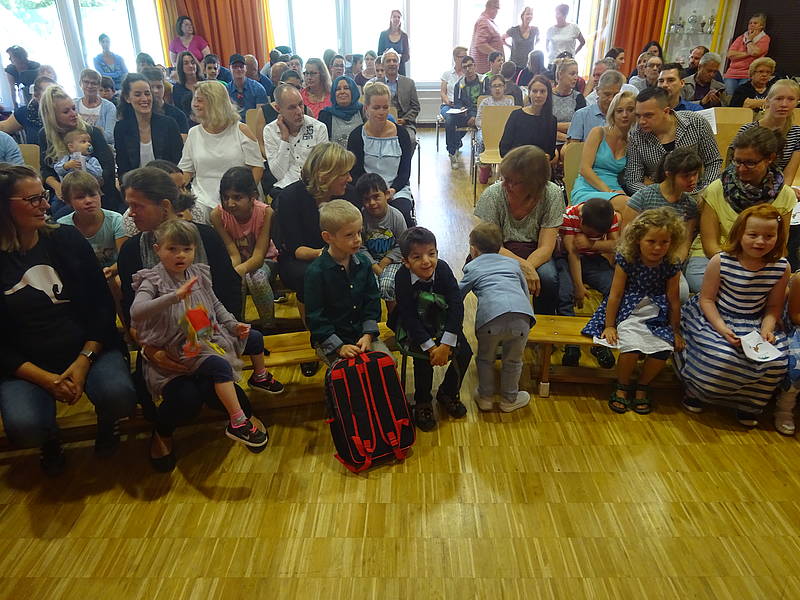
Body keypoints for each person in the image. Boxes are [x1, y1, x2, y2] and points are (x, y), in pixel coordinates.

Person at [0, 164, 136, 475]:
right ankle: (48, 436)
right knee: (24, 427)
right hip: (26, 365)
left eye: (44, 196)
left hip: (87, 348)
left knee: (119, 397)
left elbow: (101, 308)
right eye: (33, 200)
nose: (45, 206)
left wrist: (84, 361)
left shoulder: (66, 239)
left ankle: (107, 420)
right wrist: (45, 379)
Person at [117, 167, 245, 470]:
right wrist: (150, 351)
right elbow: (131, 314)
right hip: (161, 348)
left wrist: (223, 335)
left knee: (226, 397)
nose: (130, 213)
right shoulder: (133, 250)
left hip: (208, 342)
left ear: (164, 206)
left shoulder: (205, 238)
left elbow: (229, 294)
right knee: (185, 400)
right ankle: (162, 433)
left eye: (137, 205)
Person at [130, 219, 278, 450]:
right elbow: (136, 311)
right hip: (177, 346)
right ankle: (238, 421)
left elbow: (215, 304)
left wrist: (233, 325)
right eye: (172, 249)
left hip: (206, 335)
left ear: (194, 250)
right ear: (157, 249)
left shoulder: (197, 272)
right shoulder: (152, 279)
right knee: (220, 367)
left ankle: (260, 377)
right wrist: (173, 297)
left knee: (255, 337)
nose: (180, 255)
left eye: (186, 249)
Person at [676, 204, 788, 427]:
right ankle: (696, 392)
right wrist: (722, 328)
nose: (760, 242)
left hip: (755, 320)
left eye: (769, 236)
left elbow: (774, 306)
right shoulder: (722, 260)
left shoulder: (781, 267)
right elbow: (706, 299)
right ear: (740, 234)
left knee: (775, 362)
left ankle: (748, 404)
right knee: (722, 356)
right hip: (715, 316)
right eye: (753, 235)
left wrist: (766, 329)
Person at [582, 208, 685, 415]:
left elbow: (673, 299)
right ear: (638, 239)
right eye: (651, 241)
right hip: (628, 308)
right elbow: (615, 294)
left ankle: (643, 385)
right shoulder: (628, 259)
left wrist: (675, 330)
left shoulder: (671, 264)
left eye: (664, 242)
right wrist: (610, 325)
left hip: (656, 311)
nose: (657, 247)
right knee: (630, 347)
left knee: (662, 349)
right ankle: (622, 384)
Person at [684, 127, 796, 293]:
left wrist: (753, 269)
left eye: (750, 163)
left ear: (770, 159)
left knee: (780, 292)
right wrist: (741, 271)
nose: (741, 168)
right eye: (737, 161)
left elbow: (779, 247)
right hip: (715, 257)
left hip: (761, 259)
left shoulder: (785, 195)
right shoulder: (716, 189)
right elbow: (710, 245)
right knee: (704, 283)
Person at [390, 227, 472, 431]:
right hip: (416, 326)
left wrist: (446, 344)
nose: (426, 261)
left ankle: (448, 392)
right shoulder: (402, 277)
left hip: (443, 321)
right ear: (406, 261)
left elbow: (456, 305)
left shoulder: (442, 269)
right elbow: (408, 316)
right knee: (422, 360)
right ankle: (423, 401)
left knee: (465, 353)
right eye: (417, 257)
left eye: (431, 253)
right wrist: (431, 347)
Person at [475, 145, 563, 315]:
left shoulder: (552, 194)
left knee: (548, 279)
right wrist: (524, 268)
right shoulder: (493, 195)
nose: (505, 185)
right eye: (504, 178)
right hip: (498, 251)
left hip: (535, 251)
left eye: (513, 182)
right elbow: (490, 245)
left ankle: (543, 325)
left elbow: (546, 247)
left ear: (534, 183)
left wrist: (528, 268)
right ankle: (499, 323)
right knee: (500, 279)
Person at [304, 199, 391, 367]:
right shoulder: (316, 272)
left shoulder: (364, 263)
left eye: (359, 232)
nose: (357, 239)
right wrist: (339, 347)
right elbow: (315, 317)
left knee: (386, 364)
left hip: (363, 334)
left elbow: (372, 301)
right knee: (348, 372)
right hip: (330, 340)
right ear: (328, 237)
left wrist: (368, 335)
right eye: (349, 235)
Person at [459, 222, 534, 412]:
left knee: (485, 358)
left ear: (474, 250)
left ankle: (485, 397)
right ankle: (509, 399)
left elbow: (458, 293)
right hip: (521, 316)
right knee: (513, 360)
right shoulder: (513, 264)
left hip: (490, 319)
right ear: (500, 247)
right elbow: (524, 291)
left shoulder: (472, 266)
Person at [276, 143, 355, 308]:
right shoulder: (289, 198)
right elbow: (296, 249)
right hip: (301, 259)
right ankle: (314, 323)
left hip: (343, 254)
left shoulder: (351, 195)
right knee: (312, 275)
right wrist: (328, 255)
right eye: (344, 174)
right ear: (324, 176)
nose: (350, 179)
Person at [178, 81, 263, 212]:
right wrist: (179, 190)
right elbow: (186, 170)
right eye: (194, 99)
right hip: (202, 199)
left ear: (215, 103)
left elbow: (257, 167)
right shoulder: (194, 133)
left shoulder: (241, 130)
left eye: (200, 100)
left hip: (237, 198)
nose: (194, 104)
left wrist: (244, 195)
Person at [210, 167, 277, 330]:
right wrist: (233, 272)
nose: (230, 203)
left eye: (237, 197)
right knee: (235, 279)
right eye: (226, 197)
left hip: (266, 261)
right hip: (238, 261)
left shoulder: (266, 212)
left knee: (256, 279)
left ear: (252, 196)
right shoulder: (217, 215)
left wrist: (237, 271)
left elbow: (259, 256)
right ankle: (237, 325)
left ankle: (268, 325)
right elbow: (233, 253)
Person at [556, 198, 620, 368]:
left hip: (593, 259)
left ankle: (599, 338)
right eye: (589, 232)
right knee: (565, 293)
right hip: (567, 259)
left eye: (596, 234)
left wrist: (591, 243)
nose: (592, 235)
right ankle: (571, 344)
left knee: (614, 289)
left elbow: (616, 245)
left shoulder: (610, 215)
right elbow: (573, 254)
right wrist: (578, 287)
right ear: (581, 219)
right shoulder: (569, 215)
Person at [623, 88, 721, 196]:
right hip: (658, 196)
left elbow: (713, 161)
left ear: (666, 111)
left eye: (648, 115)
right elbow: (633, 180)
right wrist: (658, 196)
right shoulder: (636, 136)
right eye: (638, 116)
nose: (641, 121)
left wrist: (705, 190)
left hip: (697, 192)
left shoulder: (696, 122)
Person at [38, 85, 120, 211]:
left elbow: (108, 169)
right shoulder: (45, 135)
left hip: (97, 191)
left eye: (73, 108)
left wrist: (85, 188)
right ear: (52, 116)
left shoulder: (91, 132)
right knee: (58, 212)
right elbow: (46, 170)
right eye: (66, 112)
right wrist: (58, 187)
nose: (73, 114)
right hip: (65, 192)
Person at [348, 81, 415, 227]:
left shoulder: (402, 134)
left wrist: (391, 191)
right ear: (366, 108)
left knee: (402, 212)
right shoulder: (356, 136)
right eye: (376, 107)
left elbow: (405, 172)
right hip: (366, 191)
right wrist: (373, 194)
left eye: (385, 107)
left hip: (395, 189)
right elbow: (355, 173)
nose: (381, 112)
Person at [56, 171, 126, 308]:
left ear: (100, 194)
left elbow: (123, 259)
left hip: (111, 274)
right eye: (80, 197)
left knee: (117, 283)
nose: (88, 201)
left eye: (93, 195)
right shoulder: (62, 226)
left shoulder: (116, 220)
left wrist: (110, 271)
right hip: (81, 277)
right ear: (68, 201)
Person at [569, 90, 635, 209]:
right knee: (628, 205)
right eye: (619, 111)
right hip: (587, 188)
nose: (625, 115)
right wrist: (609, 191)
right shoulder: (598, 132)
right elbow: (584, 169)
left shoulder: (631, 143)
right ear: (612, 113)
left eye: (630, 110)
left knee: (632, 206)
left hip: (615, 189)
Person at [734, 79, 800, 197]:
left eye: (790, 99)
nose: (784, 104)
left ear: (797, 103)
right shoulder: (747, 130)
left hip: (778, 190)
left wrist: (782, 194)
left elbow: (789, 174)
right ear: (768, 101)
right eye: (779, 99)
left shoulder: (797, 134)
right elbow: (736, 169)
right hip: (745, 188)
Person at [113, 73, 183, 179]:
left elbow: (177, 161)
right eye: (138, 95)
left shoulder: (169, 124)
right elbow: (123, 168)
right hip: (136, 184)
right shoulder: (121, 128)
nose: (144, 98)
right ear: (127, 98)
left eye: (147, 93)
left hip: (167, 182)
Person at [263, 84, 328, 193]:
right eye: (292, 107)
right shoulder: (270, 131)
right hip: (285, 189)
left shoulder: (319, 128)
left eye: (300, 104)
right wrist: (285, 139)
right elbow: (279, 174)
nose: (299, 111)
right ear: (278, 109)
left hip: (314, 187)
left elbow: (323, 168)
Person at [356, 172, 407, 307]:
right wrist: (373, 265)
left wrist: (385, 262)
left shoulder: (396, 216)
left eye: (376, 197)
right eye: (366, 199)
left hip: (392, 261)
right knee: (368, 286)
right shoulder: (361, 218)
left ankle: (393, 316)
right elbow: (360, 246)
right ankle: (372, 316)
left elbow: (403, 245)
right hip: (368, 261)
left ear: (387, 194)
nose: (372, 203)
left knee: (387, 285)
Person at [499, 75, 557, 160]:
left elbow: (551, 152)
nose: (538, 95)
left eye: (542, 91)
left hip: (538, 164)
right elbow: (503, 149)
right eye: (534, 91)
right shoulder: (516, 115)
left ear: (548, 94)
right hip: (516, 163)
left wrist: (547, 156)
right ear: (529, 93)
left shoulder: (552, 120)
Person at [374, 49, 420, 143]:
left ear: (398, 64)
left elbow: (415, 107)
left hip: (405, 124)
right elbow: (372, 107)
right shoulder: (376, 84)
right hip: (381, 123)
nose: (392, 63)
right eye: (388, 61)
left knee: (410, 140)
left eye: (394, 61)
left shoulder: (409, 83)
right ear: (383, 65)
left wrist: (404, 120)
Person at [567, 70, 626, 143]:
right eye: (607, 94)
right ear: (597, 91)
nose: (611, 99)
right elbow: (573, 147)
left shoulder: (622, 116)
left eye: (615, 95)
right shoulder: (581, 115)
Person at [475, 74, 515, 183]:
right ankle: (484, 167)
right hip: (486, 131)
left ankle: (506, 170)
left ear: (504, 87)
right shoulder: (485, 102)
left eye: (500, 85)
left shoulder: (509, 102)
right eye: (494, 86)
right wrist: (488, 127)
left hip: (504, 131)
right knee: (481, 140)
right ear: (490, 88)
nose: (497, 89)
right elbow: (478, 120)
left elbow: (512, 120)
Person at [445, 56, 482, 169]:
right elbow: (457, 103)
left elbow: (486, 100)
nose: (468, 69)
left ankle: (482, 157)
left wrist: (474, 116)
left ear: (475, 66)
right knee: (449, 119)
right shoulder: (459, 85)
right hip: (466, 115)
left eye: (470, 66)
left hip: (482, 114)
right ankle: (452, 152)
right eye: (465, 67)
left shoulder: (484, 81)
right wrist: (462, 110)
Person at [724, 13, 770, 97]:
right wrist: (747, 53)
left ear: (761, 26)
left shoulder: (765, 38)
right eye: (750, 23)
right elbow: (730, 54)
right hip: (732, 73)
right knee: (729, 98)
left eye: (755, 23)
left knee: (743, 98)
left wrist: (749, 40)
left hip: (748, 74)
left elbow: (755, 52)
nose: (752, 25)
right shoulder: (741, 38)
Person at [776, 273, 800, 434]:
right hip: (795, 328)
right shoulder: (799, 279)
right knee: (797, 362)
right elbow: (795, 316)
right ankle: (785, 408)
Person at [0, 75, 53, 143]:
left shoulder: (64, 110)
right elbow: (4, 127)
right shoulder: (26, 112)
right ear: (36, 96)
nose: (53, 97)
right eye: (48, 93)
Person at [141, 66, 190, 137]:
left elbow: (183, 140)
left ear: (164, 87)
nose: (155, 91)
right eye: (151, 87)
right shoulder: (136, 115)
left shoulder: (178, 115)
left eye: (159, 87)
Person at [318, 76, 365, 148]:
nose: (342, 92)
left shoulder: (363, 111)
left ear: (353, 91)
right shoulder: (325, 115)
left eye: (346, 88)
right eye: (338, 89)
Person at [74, 69, 117, 146]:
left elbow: (110, 137)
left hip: (101, 148)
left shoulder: (109, 107)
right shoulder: (73, 104)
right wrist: (98, 132)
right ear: (80, 83)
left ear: (99, 86)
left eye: (94, 83)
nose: (89, 86)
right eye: (86, 82)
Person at [552, 58, 586, 145]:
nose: (576, 78)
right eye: (572, 74)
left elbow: (580, 125)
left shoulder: (578, 98)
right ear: (560, 74)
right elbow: (541, 125)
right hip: (548, 140)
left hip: (571, 142)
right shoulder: (547, 95)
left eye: (577, 74)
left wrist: (552, 126)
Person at [439, 46, 469, 137]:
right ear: (455, 58)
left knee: (468, 118)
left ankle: (456, 141)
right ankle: (453, 144)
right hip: (448, 105)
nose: (464, 59)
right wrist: (448, 101)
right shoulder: (447, 74)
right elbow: (443, 92)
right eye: (462, 57)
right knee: (450, 118)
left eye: (466, 57)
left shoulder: (468, 75)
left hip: (463, 106)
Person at [226, 53, 267, 120]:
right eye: (235, 67)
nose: (239, 69)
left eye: (241, 66)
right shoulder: (226, 90)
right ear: (229, 69)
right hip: (233, 123)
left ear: (246, 68)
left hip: (254, 123)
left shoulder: (258, 88)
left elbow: (261, 116)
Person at [470, 0, 503, 75]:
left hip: (487, 70)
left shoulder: (487, 21)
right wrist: (497, 56)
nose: (497, 11)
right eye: (497, 8)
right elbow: (481, 45)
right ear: (491, 7)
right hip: (484, 71)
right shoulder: (484, 21)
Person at [504, 6, 537, 71]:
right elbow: (502, 38)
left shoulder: (535, 29)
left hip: (528, 65)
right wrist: (510, 47)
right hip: (515, 64)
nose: (530, 16)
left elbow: (538, 39)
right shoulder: (514, 30)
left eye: (531, 14)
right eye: (528, 14)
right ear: (522, 16)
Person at [172, 51, 204, 118]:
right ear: (181, 67)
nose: (190, 66)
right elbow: (179, 111)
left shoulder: (205, 83)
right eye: (186, 63)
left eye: (193, 62)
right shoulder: (177, 88)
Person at [378, 10, 410, 76]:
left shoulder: (404, 36)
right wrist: (385, 55)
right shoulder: (383, 34)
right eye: (394, 16)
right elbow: (379, 53)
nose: (396, 19)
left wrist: (397, 57)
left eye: (398, 17)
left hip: (400, 70)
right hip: (386, 69)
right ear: (390, 18)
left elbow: (407, 56)